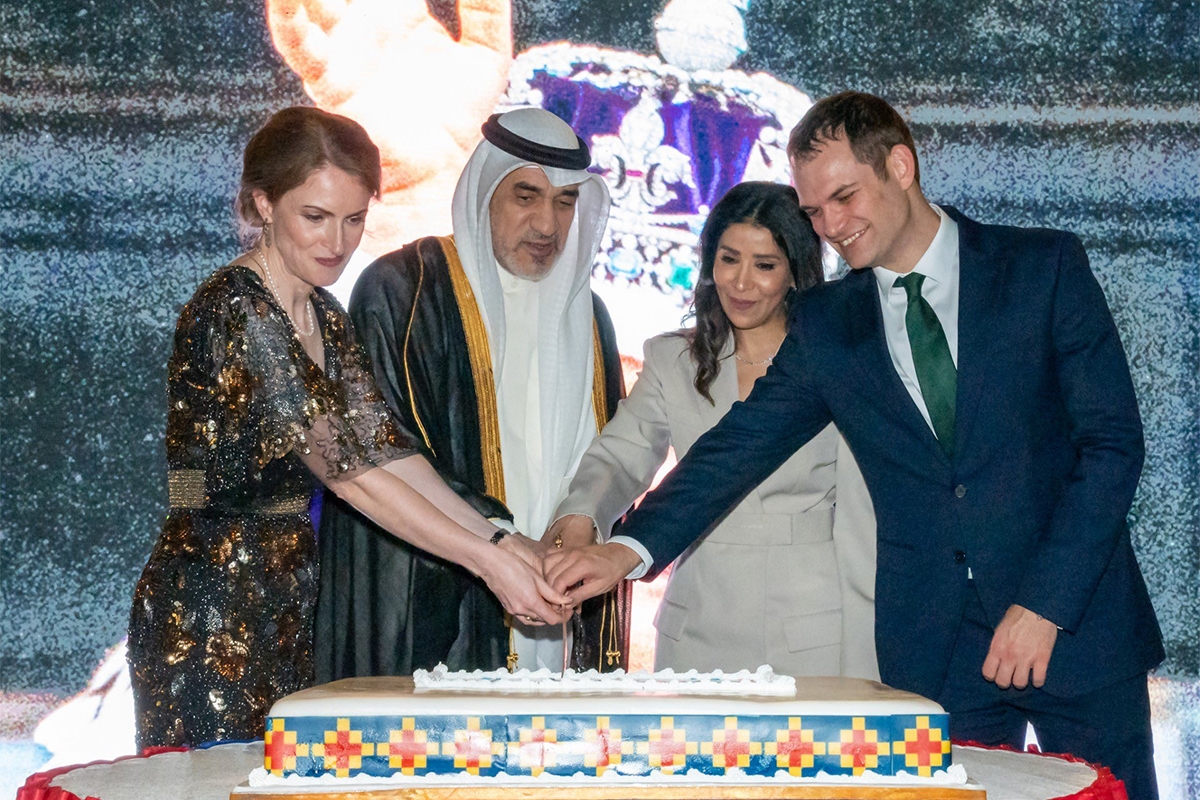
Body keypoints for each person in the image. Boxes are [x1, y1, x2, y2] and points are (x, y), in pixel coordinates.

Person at [544, 92, 1164, 798]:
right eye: (814, 212)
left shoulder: (1041, 267)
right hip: (938, 653)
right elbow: (737, 447)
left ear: (900, 165)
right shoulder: (827, 323)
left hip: (1077, 627)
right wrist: (625, 550)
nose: (831, 227)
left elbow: (1111, 446)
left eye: (844, 198)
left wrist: (1045, 605)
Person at [127, 107, 570, 749]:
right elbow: (349, 475)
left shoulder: (326, 313)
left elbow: (385, 451)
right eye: (315, 216)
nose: (337, 241)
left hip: (292, 600)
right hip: (208, 611)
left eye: (354, 219)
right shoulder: (237, 308)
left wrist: (500, 538)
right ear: (264, 203)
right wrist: (487, 562)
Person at [314, 108, 629, 678]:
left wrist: (574, 541)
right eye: (526, 197)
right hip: (439, 602)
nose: (547, 225)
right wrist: (500, 545)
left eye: (565, 203)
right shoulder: (405, 291)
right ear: (485, 193)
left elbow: (611, 456)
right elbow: (383, 455)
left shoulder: (589, 316)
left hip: (554, 602)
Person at [548, 182, 878, 679]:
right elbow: (621, 455)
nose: (742, 283)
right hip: (695, 628)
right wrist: (581, 517)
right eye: (729, 260)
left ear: (795, 272)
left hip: (810, 628)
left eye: (764, 265)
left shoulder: (837, 362)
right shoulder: (672, 358)